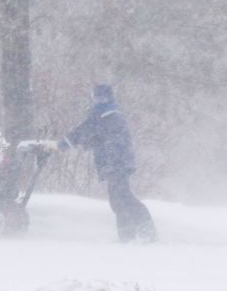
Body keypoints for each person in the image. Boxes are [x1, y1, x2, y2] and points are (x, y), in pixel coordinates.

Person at [57, 84, 157, 243]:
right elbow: (97, 136)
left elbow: (83, 131)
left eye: (96, 97)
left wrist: (63, 144)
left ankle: (144, 230)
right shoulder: (109, 116)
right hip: (117, 163)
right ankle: (127, 235)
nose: (94, 101)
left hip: (115, 163)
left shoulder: (104, 115)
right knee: (119, 200)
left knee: (122, 198)